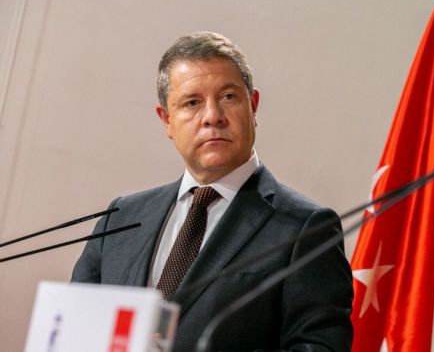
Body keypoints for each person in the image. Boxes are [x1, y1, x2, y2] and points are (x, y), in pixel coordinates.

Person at [71, 31, 353, 351]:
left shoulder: (305, 227)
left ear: (254, 105)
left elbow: (319, 347)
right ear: (166, 120)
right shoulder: (120, 218)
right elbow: (76, 333)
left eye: (228, 97)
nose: (213, 117)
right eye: (192, 103)